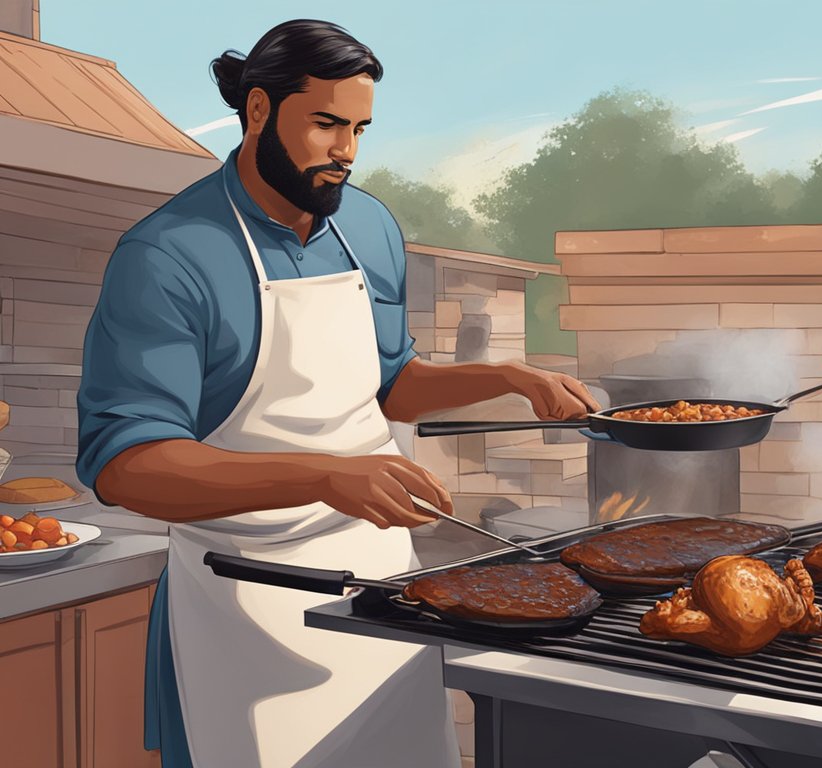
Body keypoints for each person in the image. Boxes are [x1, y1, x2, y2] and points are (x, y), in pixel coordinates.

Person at [75, 19, 598, 768]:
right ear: (259, 110)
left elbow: (389, 386)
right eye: (325, 124)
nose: (346, 150)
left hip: (382, 589)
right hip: (247, 605)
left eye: (358, 128)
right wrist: (325, 474)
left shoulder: (368, 227)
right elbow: (127, 467)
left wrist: (508, 379)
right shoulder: (169, 254)